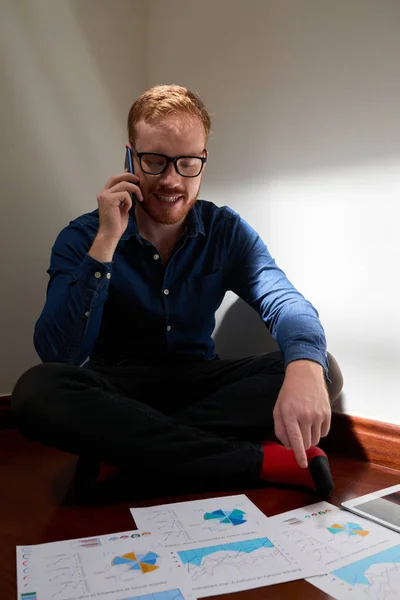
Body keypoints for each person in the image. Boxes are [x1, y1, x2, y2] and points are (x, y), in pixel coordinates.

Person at [12, 84, 343, 503]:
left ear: (202, 162)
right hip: (118, 387)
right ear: (130, 157)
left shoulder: (226, 231)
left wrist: (305, 366)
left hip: (198, 382)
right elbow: (59, 354)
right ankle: (252, 461)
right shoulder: (83, 237)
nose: (171, 180)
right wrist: (106, 244)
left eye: (187, 163)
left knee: (319, 366)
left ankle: (128, 448)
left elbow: (285, 301)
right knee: (36, 392)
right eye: (155, 161)